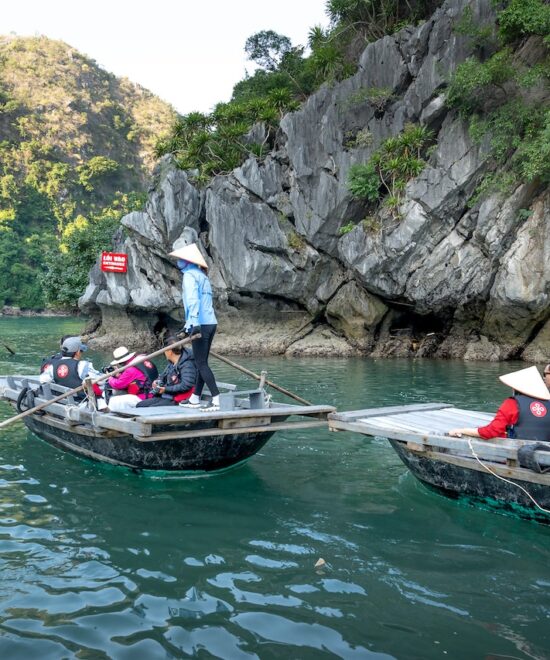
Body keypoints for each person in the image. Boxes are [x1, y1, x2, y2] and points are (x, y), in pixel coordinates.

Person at [169, 241, 220, 412]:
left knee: (201, 363)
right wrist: (187, 325)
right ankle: (195, 397)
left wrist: (194, 323)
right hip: (210, 323)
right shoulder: (203, 276)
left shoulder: (190, 276)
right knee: (201, 362)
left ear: (187, 260)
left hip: (200, 324)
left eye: (180, 259)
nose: (178, 262)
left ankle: (216, 399)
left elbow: (193, 301)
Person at [449, 365, 550, 441]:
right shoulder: (548, 403)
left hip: (520, 457)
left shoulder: (512, 403)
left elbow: (491, 431)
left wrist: (463, 430)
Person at [136, 336, 197, 408]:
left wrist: (166, 389)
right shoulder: (172, 363)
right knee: (140, 405)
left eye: (165, 350)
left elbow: (186, 385)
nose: (164, 353)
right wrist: (157, 381)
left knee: (149, 409)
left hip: (179, 398)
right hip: (168, 395)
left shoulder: (187, 365)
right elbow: (163, 375)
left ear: (169, 351)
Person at [39, 336, 101, 401]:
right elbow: (100, 380)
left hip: (62, 401)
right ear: (77, 352)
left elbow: (43, 380)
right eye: (81, 351)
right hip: (80, 402)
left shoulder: (52, 366)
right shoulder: (82, 365)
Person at [105, 346, 159, 412]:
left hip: (144, 397)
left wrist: (110, 378)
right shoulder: (143, 360)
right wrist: (119, 375)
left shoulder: (131, 369)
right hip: (153, 393)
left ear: (121, 362)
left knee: (113, 400)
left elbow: (117, 384)